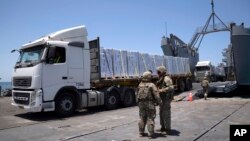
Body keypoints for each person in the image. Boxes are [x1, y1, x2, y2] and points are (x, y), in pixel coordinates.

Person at [136, 71, 162, 139]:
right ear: (148, 77)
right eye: (151, 76)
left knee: (142, 118)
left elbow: (136, 94)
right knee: (150, 118)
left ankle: (141, 132)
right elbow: (156, 95)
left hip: (141, 104)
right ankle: (150, 134)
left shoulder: (140, 85)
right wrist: (160, 102)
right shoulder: (151, 85)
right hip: (149, 104)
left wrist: (138, 103)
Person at [156, 66, 174, 135]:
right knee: (161, 113)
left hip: (166, 99)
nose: (157, 73)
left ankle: (168, 128)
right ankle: (163, 127)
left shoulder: (166, 78)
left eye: (159, 72)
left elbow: (171, 87)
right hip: (162, 99)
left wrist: (162, 90)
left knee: (166, 114)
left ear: (162, 72)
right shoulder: (161, 78)